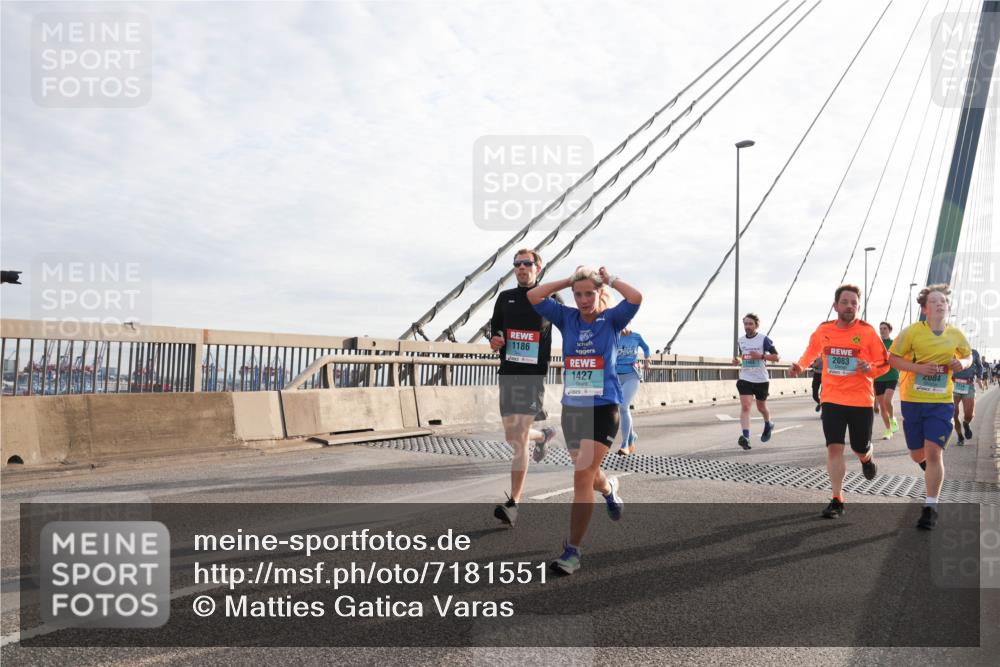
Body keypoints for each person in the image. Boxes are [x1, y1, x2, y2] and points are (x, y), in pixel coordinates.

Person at [528, 265, 641, 575]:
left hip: (604, 408)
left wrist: (612, 279)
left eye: (589, 293)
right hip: (573, 410)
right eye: (577, 294)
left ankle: (572, 550)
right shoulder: (567, 317)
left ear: (598, 292)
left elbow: (636, 296)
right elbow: (534, 295)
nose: (583, 299)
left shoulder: (612, 319)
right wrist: (569, 279)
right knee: (589, 474)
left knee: (580, 475)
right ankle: (609, 489)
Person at [790, 284, 888, 519]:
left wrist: (870, 367)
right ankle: (837, 498)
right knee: (834, 447)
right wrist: (800, 366)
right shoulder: (824, 330)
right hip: (832, 398)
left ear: (859, 307)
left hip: (861, 400)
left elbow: (884, 363)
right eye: (845, 302)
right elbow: (811, 350)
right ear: (835, 306)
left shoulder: (867, 331)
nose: (849, 306)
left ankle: (867, 457)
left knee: (858, 447)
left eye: (854, 303)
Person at [888, 285, 972, 529]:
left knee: (935, 453)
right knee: (918, 454)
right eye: (934, 301)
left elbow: (968, 356)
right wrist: (917, 368)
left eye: (943, 301)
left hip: (941, 403)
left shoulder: (956, 334)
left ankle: (930, 506)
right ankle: (928, 469)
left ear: (947, 308)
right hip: (913, 400)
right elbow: (892, 358)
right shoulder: (912, 332)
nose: (939, 304)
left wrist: (962, 363)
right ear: (925, 309)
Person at [489, 249, 558, 527]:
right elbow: (495, 331)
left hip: (532, 377)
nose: (521, 268)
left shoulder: (549, 299)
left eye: (527, 263)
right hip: (508, 374)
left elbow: (576, 324)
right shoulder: (505, 298)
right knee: (511, 436)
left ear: (538, 268)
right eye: (517, 264)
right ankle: (543, 436)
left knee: (518, 441)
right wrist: (494, 341)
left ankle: (514, 502)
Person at [731, 313, 779, 449]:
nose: (747, 326)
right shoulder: (741, 340)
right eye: (745, 324)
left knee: (761, 407)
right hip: (745, 377)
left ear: (756, 325)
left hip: (761, 380)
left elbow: (777, 357)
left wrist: (761, 356)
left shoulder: (764, 339)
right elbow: (742, 356)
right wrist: (737, 360)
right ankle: (745, 437)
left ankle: (768, 423)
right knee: (746, 406)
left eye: (750, 324)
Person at [615, 327, 651, 455]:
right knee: (623, 410)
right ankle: (631, 436)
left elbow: (646, 348)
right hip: (616, 377)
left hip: (632, 376)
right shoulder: (614, 335)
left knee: (623, 407)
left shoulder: (636, 336)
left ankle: (625, 444)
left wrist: (647, 360)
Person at [874, 322, 900, 440]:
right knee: (882, 407)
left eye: (885, 328)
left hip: (892, 375)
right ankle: (888, 430)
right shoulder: (875, 343)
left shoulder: (894, 344)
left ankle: (892, 419)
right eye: (881, 329)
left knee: (887, 401)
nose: (882, 330)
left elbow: (900, 357)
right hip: (878, 377)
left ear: (890, 330)